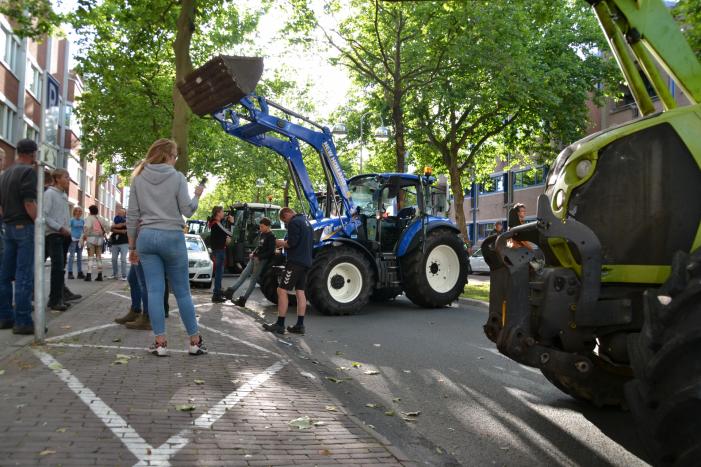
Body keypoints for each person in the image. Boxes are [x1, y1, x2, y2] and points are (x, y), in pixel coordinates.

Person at [127, 138, 206, 357]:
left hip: (146, 238)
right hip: (172, 236)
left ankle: (160, 343)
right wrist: (197, 196)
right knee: (182, 292)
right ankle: (194, 341)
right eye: (175, 156)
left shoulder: (138, 177)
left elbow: (132, 214)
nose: (176, 160)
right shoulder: (177, 177)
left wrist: (132, 245)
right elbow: (188, 211)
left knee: (154, 290)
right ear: (168, 155)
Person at [0, 139, 38, 334]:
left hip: (8, 226)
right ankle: (23, 321)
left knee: (5, 274)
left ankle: (5, 316)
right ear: (32, 154)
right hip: (24, 226)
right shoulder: (28, 172)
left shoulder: (5, 174)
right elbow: (29, 203)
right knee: (24, 275)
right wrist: (38, 221)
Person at [263, 207, 313, 335]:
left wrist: (280, 243)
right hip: (306, 261)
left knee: (281, 290)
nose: (286, 223)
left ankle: (280, 324)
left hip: (295, 262)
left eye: (284, 220)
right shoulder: (306, 221)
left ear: (287, 214)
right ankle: (300, 325)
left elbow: (292, 243)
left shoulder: (294, 222)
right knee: (300, 291)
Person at [224, 217, 276, 307]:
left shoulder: (271, 236)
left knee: (253, 280)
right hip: (254, 258)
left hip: (261, 260)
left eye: (262, 227)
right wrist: (253, 253)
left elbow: (270, 251)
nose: (260, 228)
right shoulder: (262, 234)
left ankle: (243, 299)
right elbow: (259, 246)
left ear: (268, 226)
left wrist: (259, 257)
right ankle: (231, 291)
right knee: (244, 274)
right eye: (260, 226)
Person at [44, 169, 73, 311]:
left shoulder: (63, 195)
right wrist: (60, 228)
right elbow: (45, 215)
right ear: (56, 179)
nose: (68, 179)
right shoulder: (49, 194)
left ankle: (57, 297)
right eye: (66, 177)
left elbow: (64, 216)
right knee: (57, 268)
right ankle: (55, 301)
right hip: (54, 235)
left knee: (60, 268)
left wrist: (68, 230)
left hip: (64, 236)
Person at [208, 206, 233, 303]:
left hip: (218, 250)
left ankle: (217, 293)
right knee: (219, 273)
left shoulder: (216, 223)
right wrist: (231, 223)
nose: (224, 213)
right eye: (222, 211)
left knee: (219, 273)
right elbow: (230, 233)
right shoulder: (216, 223)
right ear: (218, 213)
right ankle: (216, 295)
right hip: (219, 251)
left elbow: (224, 233)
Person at [83, 205, 106, 281]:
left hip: (91, 238)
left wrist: (84, 235)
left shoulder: (89, 218)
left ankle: (89, 275)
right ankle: (100, 275)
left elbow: (87, 227)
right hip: (100, 239)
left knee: (90, 257)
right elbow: (108, 227)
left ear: (90, 211)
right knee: (98, 257)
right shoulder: (101, 218)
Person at [110, 207, 129, 280]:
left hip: (124, 242)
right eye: (119, 213)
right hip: (115, 242)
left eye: (121, 213)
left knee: (123, 259)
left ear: (125, 214)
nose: (119, 214)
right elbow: (111, 228)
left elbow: (119, 227)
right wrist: (120, 230)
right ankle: (115, 274)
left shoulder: (128, 220)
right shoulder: (115, 219)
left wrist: (116, 227)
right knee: (114, 259)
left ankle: (124, 275)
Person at [67, 207, 85, 279]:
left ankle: (79, 272)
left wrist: (83, 238)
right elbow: (68, 228)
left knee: (79, 257)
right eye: (77, 211)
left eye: (80, 211)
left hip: (80, 240)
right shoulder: (72, 220)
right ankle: (70, 273)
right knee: (71, 256)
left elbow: (83, 230)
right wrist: (70, 237)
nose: (79, 213)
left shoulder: (82, 221)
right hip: (73, 240)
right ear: (74, 212)